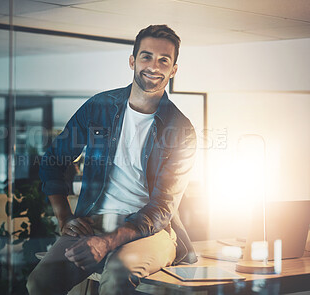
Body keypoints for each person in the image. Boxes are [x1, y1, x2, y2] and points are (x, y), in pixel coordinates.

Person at [27, 24, 197, 295]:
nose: (154, 66)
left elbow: (162, 208)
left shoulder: (181, 130)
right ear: (132, 61)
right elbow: (52, 161)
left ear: (173, 69)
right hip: (93, 221)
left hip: (151, 231)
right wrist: (64, 218)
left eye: (164, 60)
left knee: (116, 277)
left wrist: (107, 243)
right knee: (40, 283)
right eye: (146, 56)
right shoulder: (99, 107)